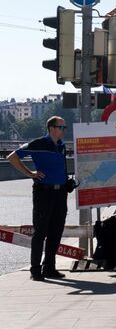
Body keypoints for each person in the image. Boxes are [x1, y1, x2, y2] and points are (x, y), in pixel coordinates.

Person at [7, 116, 69, 281]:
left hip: (60, 193)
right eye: (61, 127)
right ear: (51, 128)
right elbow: (12, 157)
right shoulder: (38, 143)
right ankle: (35, 270)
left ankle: (49, 268)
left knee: (56, 231)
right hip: (44, 193)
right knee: (40, 232)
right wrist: (30, 174)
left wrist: (66, 181)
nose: (64, 130)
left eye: (65, 128)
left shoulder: (62, 146)